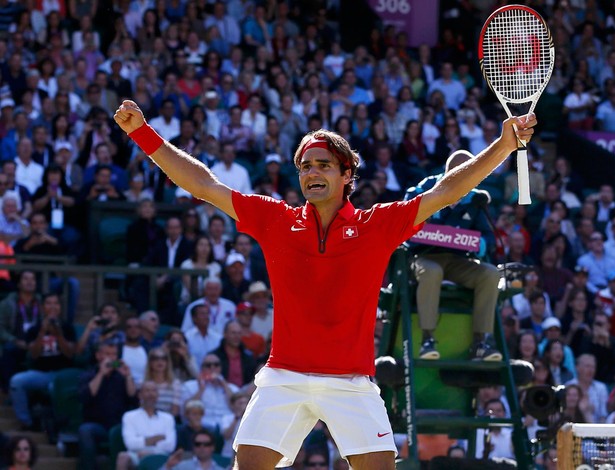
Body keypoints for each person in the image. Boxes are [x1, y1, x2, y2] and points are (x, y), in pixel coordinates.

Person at [114, 99, 536, 469]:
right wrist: (143, 133)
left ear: (346, 173)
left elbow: (446, 191)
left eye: (323, 165)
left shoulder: (378, 225)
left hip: (351, 382)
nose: (312, 173)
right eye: (305, 166)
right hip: (284, 377)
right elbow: (203, 185)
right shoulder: (274, 220)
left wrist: (504, 145)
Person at [405, 150, 501, 360]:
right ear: (449, 174)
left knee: (491, 274)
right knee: (432, 271)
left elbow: (489, 237)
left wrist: (479, 244)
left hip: (458, 260)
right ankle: (427, 339)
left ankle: (481, 342)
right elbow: (403, 229)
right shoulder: (421, 191)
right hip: (423, 258)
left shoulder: (476, 199)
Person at [9, 293, 76, 429]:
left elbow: (70, 354)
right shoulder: (34, 329)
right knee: (16, 381)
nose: (52, 306)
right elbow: (33, 355)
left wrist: (59, 335)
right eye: (48, 303)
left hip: (63, 374)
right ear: (42, 307)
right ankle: (27, 422)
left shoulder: (68, 327)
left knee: (54, 388)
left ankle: (58, 424)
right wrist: (42, 332)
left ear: (60, 307)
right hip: (41, 373)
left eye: (56, 303)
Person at [77, 342, 138, 470]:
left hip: (118, 424)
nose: (111, 358)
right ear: (98, 356)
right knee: (85, 431)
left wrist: (128, 376)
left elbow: (133, 398)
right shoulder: (88, 375)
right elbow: (85, 397)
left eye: (114, 354)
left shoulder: (120, 377)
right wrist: (101, 373)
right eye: (107, 354)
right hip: (96, 424)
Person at [116, 381, 176, 470]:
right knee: (122, 457)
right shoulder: (129, 416)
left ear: (157, 395)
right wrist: (156, 439)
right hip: (136, 455)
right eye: (147, 391)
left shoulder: (168, 418)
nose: (150, 394)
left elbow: (170, 445)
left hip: (160, 455)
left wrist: (149, 450)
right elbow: (130, 444)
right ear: (140, 395)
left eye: (153, 391)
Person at [163, 429, 227, 470]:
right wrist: (168, 466)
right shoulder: (181, 467)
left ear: (213, 447)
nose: (202, 447)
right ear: (193, 447)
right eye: (198, 444)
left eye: (206, 444)